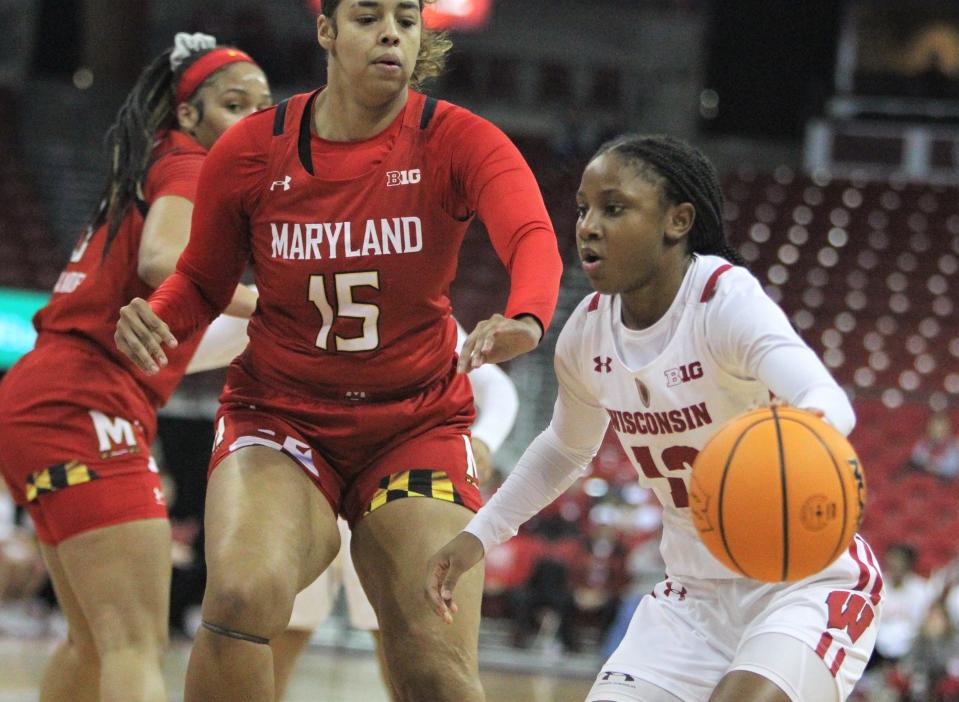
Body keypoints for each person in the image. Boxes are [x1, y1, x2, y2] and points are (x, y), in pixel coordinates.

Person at [114, 2, 563, 700]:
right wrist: (158, 316)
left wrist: (529, 317)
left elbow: (531, 233)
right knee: (239, 597)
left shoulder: (460, 139)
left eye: (407, 20)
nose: (391, 32)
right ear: (325, 31)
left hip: (413, 426)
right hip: (281, 418)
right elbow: (202, 280)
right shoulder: (252, 150)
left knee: (436, 672)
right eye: (366, 16)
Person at [427, 134, 884, 702]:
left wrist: (783, 462)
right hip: (693, 598)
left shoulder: (723, 300)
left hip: (802, 586)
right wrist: (478, 536)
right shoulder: (587, 331)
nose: (589, 226)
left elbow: (827, 401)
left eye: (614, 208)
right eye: (583, 209)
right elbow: (565, 451)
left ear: (678, 220)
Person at [0, 33, 269, 702]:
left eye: (265, 108)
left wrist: (265, 326)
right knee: (134, 645)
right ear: (188, 116)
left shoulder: (167, 167)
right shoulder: (192, 165)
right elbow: (161, 262)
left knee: (94, 642)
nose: (253, 121)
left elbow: (176, 328)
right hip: (80, 400)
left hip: (52, 391)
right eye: (235, 104)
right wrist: (276, 299)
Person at [271, 321, 520, 700]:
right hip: (304, 480)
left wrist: (484, 441)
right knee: (277, 636)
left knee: (411, 650)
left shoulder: (411, 301)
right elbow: (196, 334)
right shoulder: (284, 286)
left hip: (391, 489)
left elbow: (497, 386)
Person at [904, 412, 959, 482]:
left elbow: (952, 468)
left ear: (948, 430)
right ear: (928, 428)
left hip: (944, 481)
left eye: (942, 430)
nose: (937, 433)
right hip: (923, 477)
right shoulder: (922, 443)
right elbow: (916, 459)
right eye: (934, 428)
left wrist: (936, 468)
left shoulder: (954, 446)